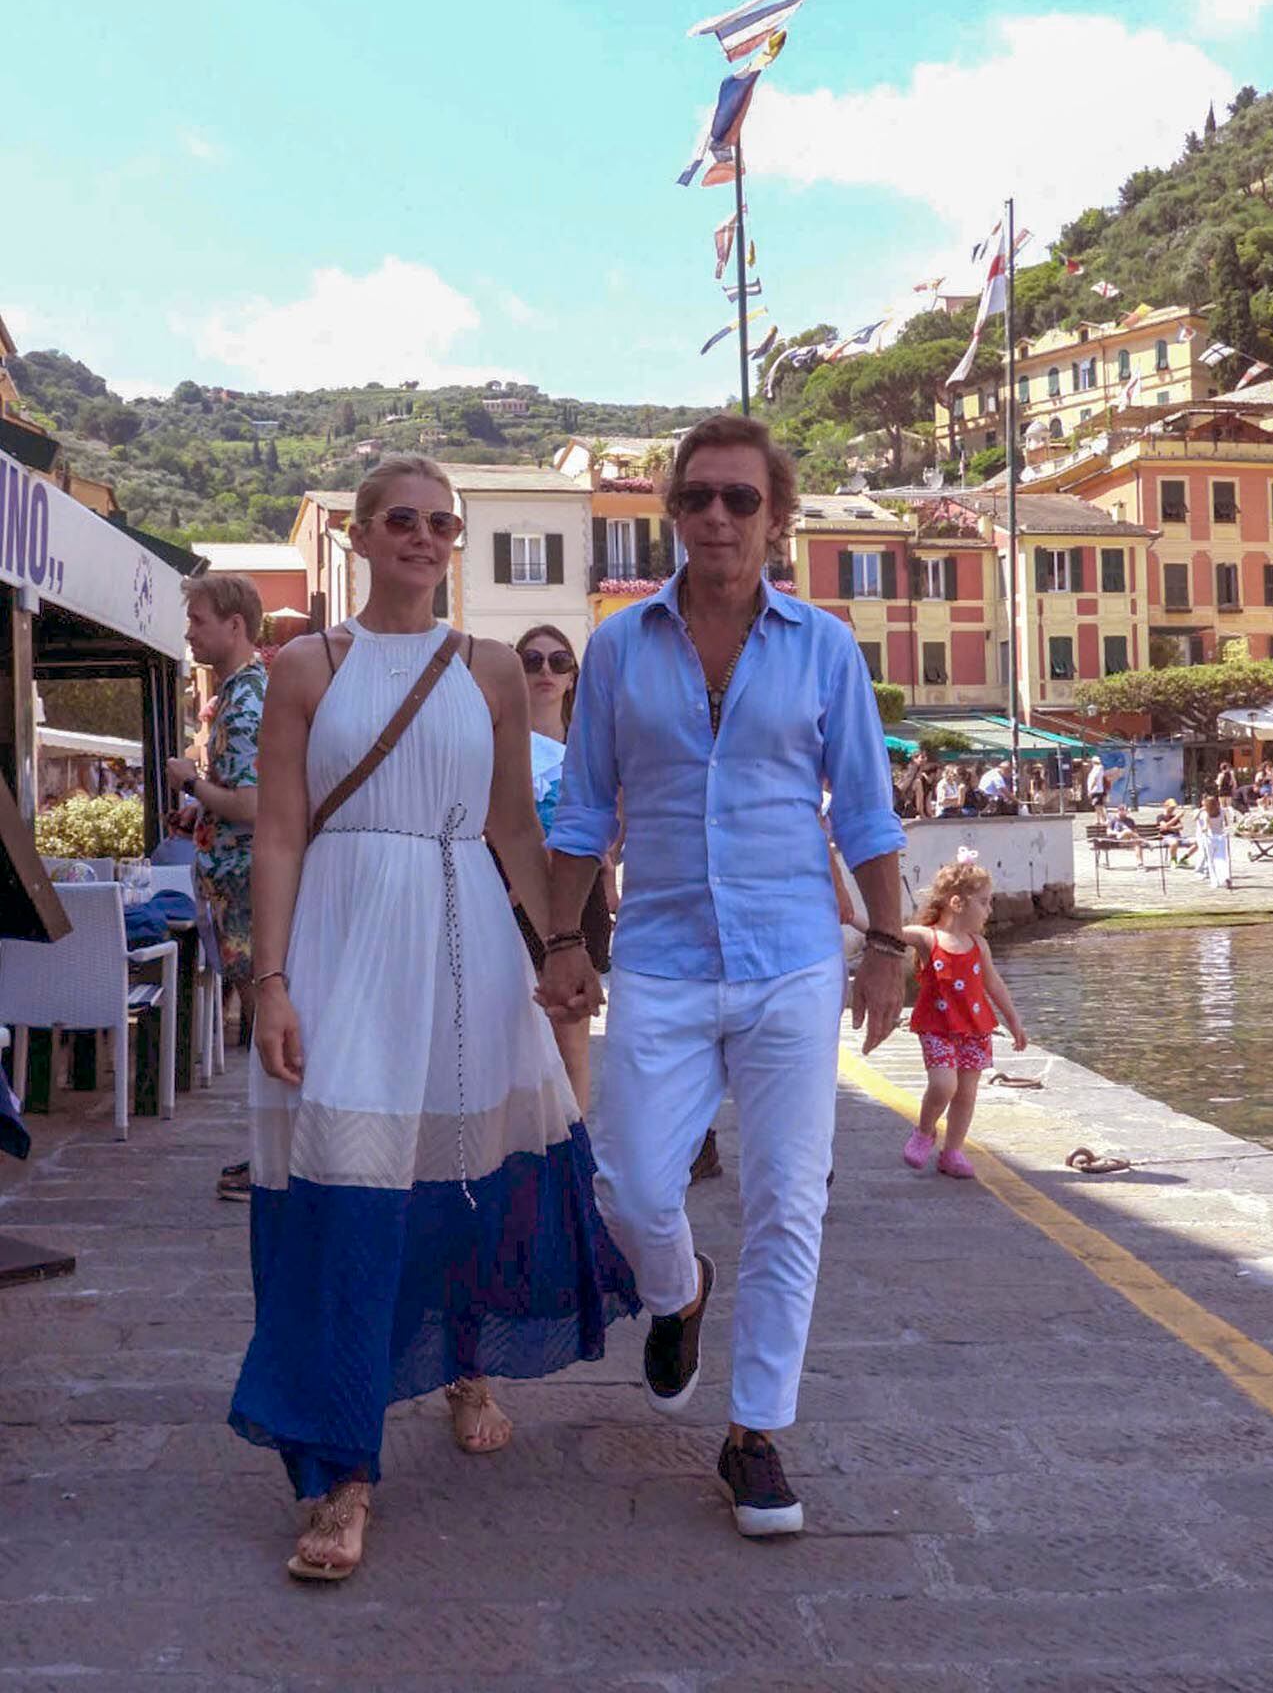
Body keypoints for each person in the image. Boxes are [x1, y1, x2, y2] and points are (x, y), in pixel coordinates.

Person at [229, 455, 636, 1583]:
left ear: (456, 542)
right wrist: (271, 982)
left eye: (441, 524)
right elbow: (279, 833)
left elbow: (513, 826)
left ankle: (466, 1362)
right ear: (360, 537)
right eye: (399, 520)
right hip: (345, 935)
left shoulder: (491, 667)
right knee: (345, 1188)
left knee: (466, 1173)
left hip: (464, 939)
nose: (422, 537)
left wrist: (560, 944)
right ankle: (341, 1472)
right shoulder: (307, 665)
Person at [539, 414, 905, 1538]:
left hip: (792, 956)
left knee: (789, 1198)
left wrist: (889, 948)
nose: (716, 516)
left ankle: (755, 1433)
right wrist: (560, 941)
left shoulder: (824, 648)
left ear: (776, 519)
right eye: (697, 496)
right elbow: (584, 810)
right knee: (627, 1188)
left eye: (740, 499)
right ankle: (679, 1290)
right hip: (660, 955)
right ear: (673, 514)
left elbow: (866, 809)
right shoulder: (618, 648)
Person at [166, 574, 267, 1207]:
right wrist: (202, 811)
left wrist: (189, 782)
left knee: (267, 1021)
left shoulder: (247, 701)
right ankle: (272, 1155)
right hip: (240, 888)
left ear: (235, 625)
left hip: (251, 892)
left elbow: (253, 807)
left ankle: (274, 1161)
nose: (190, 632)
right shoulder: (238, 694)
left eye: (198, 620)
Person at [496, 622, 612, 1115]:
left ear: (572, 677)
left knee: (571, 1043)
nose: (546, 670)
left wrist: (605, 864)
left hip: (577, 898)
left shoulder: (593, 746)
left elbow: (618, 815)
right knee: (507, 1038)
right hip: (506, 897)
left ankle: (575, 1147)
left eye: (559, 661)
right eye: (532, 661)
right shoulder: (494, 744)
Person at [900, 854, 1027, 1179]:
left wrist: (1013, 1020)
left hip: (974, 1028)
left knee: (966, 1093)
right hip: (937, 1026)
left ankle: (952, 1152)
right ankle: (925, 1131)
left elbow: (993, 984)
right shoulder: (929, 938)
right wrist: (850, 916)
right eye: (983, 902)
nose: (989, 910)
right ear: (957, 903)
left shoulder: (978, 945)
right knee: (944, 1084)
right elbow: (888, 932)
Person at [1195, 793, 1233, 889]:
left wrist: (1204, 830)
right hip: (1221, 837)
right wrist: (1226, 831)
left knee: (1211, 860)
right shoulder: (1222, 811)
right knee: (1222, 858)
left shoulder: (1206, 813)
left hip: (1210, 838)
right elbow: (1226, 824)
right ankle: (1225, 876)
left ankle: (1215, 882)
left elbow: (1206, 826)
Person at [1155, 798, 1196, 867]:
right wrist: (1176, 819)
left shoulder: (1174, 816)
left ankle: (1184, 859)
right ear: (1166, 806)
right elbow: (1164, 826)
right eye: (1171, 807)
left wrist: (1170, 828)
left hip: (1178, 837)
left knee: (1197, 842)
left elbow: (1180, 827)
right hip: (1166, 837)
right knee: (1174, 842)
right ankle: (1173, 860)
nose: (1173, 809)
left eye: (1174, 807)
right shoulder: (1160, 817)